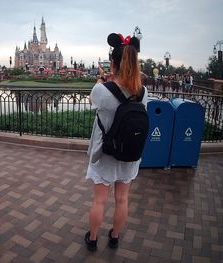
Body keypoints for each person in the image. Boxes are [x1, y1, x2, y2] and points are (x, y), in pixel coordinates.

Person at [84, 33, 148, 251]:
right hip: (129, 154)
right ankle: (115, 236)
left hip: (106, 155)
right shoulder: (143, 92)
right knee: (122, 200)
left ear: (113, 63)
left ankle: (92, 239)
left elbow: (94, 100)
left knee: (99, 201)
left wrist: (102, 79)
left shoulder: (101, 90)